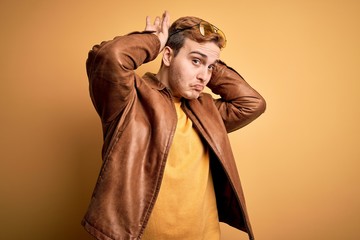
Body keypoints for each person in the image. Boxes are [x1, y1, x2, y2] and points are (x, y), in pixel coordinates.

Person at [82, 11, 266, 240]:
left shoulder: (207, 110)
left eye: (210, 68)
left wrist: (208, 59)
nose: (204, 77)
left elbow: (253, 103)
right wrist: (154, 42)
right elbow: (110, 57)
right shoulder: (129, 99)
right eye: (195, 61)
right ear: (167, 56)